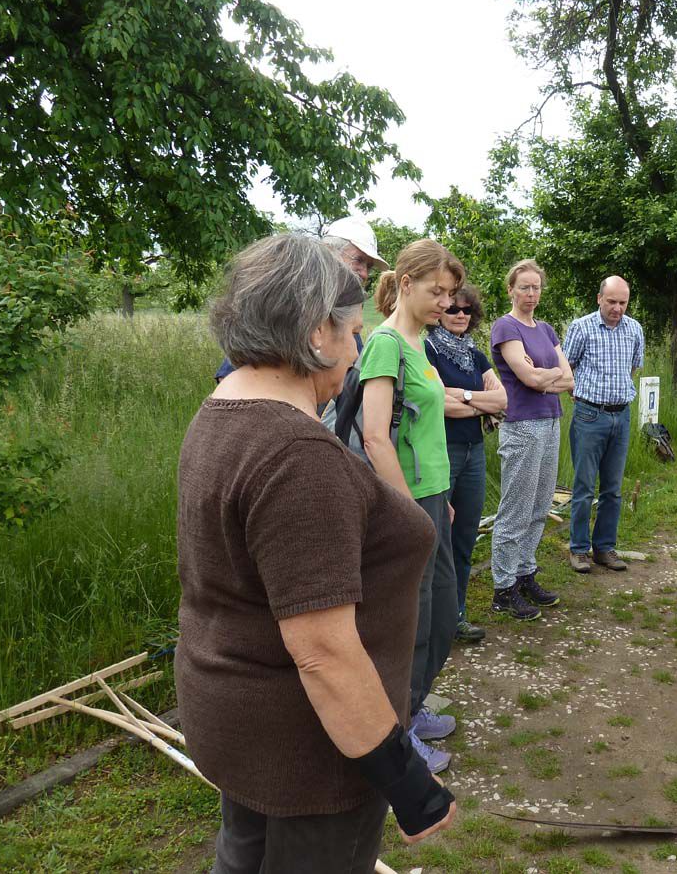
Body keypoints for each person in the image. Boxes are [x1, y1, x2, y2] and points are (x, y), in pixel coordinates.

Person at [177, 233, 455, 873]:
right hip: (311, 754)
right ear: (314, 333)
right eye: (352, 332)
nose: (357, 351)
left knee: (241, 860)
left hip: (238, 719)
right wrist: (406, 782)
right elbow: (324, 650)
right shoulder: (298, 456)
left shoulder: (220, 410)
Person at [359, 239, 466, 775]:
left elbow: (424, 426)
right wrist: (406, 509)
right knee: (413, 620)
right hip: (406, 502)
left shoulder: (420, 341)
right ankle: (396, 730)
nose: (445, 303)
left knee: (443, 611)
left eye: (450, 293)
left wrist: (441, 499)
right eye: (436, 291)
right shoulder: (384, 345)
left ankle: (414, 704)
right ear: (405, 284)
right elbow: (376, 437)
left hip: (434, 496)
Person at [489, 259, 574, 620]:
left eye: (536, 287)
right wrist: (544, 376)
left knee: (540, 506)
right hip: (522, 424)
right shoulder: (505, 327)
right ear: (511, 289)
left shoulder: (546, 329)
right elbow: (527, 379)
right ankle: (503, 587)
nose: (530, 293)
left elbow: (568, 380)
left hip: (551, 420)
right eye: (524, 287)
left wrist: (547, 375)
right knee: (516, 508)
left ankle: (525, 574)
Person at [424, 284, 507, 643]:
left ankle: (455, 615)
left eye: (466, 310)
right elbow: (441, 404)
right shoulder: (427, 350)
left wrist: (466, 395)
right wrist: (478, 403)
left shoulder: (475, 355)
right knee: (435, 538)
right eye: (453, 308)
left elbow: (502, 399)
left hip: (474, 452)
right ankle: (430, 621)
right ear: (439, 311)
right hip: (442, 452)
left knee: (464, 538)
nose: (460, 315)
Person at [213, 216, 388, 383]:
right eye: (359, 260)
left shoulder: (347, 322)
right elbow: (232, 377)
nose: (364, 273)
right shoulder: (289, 308)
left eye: (369, 266)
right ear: (330, 252)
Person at [561, 275, 645, 573]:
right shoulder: (580, 327)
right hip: (589, 415)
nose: (617, 308)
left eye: (623, 302)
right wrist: (581, 395)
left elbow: (634, 367)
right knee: (584, 486)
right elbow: (565, 368)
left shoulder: (634, 329)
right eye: (611, 301)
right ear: (599, 299)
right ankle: (579, 550)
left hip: (621, 415)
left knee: (613, 488)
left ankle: (605, 548)